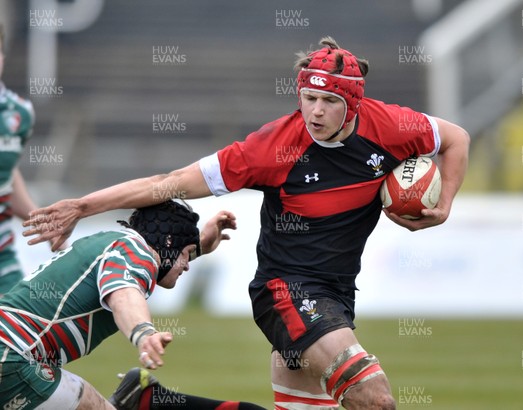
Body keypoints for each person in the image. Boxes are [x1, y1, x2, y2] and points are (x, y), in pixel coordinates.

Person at [24, 37, 470, 409]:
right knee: (374, 396)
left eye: (329, 101)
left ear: (353, 103)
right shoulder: (272, 147)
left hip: (336, 293)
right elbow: (170, 183)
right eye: (308, 98)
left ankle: (153, 403)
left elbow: (455, 138)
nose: (314, 112)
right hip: (287, 290)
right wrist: (83, 206)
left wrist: (444, 203)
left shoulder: (392, 126)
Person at [0, 199, 264, 409]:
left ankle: (135, 398)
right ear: (169, 244)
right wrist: (143, 332)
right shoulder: (137, 252)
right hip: (13, 356)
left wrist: (200, 247)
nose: (186, 265)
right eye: (186, 255)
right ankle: (137, 398)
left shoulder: (113, 242)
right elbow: (123, 292)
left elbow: (153, 269)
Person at [0, 23, 65, 296]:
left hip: (3, 258)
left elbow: (7, 175)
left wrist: (41, 220)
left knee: (21, 334)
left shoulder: (19, 113)